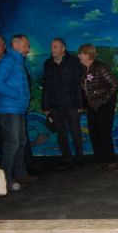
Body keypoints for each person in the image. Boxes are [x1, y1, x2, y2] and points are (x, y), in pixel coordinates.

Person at [0, 34, 37, 191]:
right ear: (16, 45)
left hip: (17, 109)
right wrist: (17, 95)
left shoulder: (18, 61)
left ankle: (20, 173)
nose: (28, 49)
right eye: (26, 45)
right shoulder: (8, 61)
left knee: (21, 141)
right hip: (9, 109)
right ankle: (5, 179)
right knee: (12, 143)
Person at [42, 38, 84, 169]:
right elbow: (46, 86)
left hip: (72, 104)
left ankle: (79, 158)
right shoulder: (48, 64)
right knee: (61, 133)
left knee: (75, 131)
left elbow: (78, 84)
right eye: (51, 47)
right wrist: (45, 106)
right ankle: (66, 158)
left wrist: (80, 105)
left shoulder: (74, 62)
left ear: (63, 48)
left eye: (55, 47)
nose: (52, 49)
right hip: (55, 105)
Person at [78, 44, 118, 170]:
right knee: (94, 133)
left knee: (104, 133)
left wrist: (104, 100)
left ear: (87, 55)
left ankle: (111, 160)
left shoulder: (100, 67)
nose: (79, 56)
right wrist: (83, 105)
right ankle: (101, 160)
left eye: (81, 54)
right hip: (92, 107)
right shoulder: (84, 69)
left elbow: (115, 84)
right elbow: (85, 90)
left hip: (104, 106)